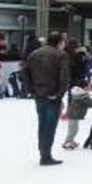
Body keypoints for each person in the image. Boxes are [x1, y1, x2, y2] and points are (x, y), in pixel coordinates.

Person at [23, 32, 70, 166]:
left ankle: (43, 152)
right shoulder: (61, 55)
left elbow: (25, 72)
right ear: (60, 42)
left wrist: (31, 90)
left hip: (39, 94)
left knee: (42, 124)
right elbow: (64, 77)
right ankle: (46, 155)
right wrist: (60, 94)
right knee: (50, 126)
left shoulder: (34, 54)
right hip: (52, 96)